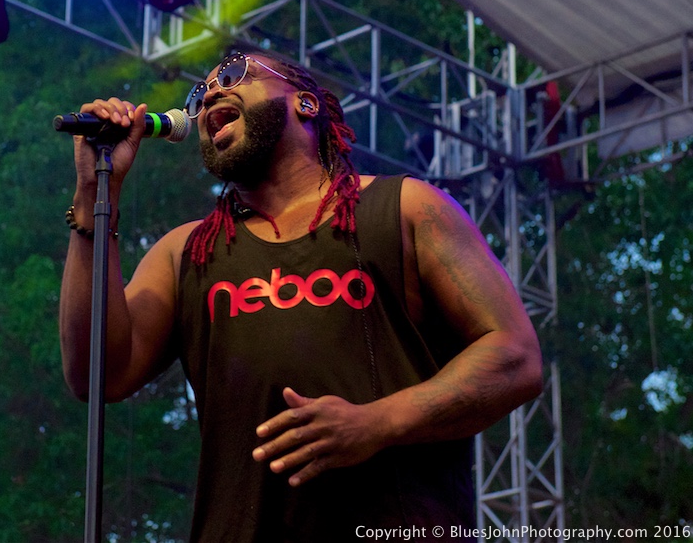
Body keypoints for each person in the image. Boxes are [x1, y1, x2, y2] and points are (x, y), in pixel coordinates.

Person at [58, 51, 543, 542]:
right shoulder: (185, 252)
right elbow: (96, 373)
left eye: (233, 75)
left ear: (306, 104)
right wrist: (93, 192)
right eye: (201, 93)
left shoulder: (408, 208)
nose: (209, 95)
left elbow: (515, 356)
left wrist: (376, 422)